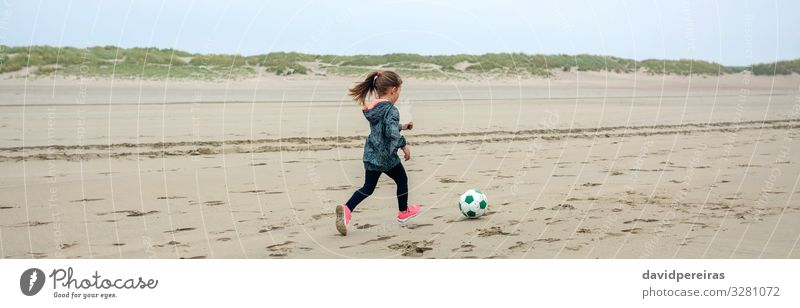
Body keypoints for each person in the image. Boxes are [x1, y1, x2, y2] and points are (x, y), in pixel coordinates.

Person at [335, 71, 421, 236]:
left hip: (371, 154)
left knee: (368, 188)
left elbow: (384, 126)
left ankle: (346, 209)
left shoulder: (374, 107)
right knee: (402, 180)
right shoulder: (391, 110)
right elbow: (390, 132)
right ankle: (403, 212)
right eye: (399, 92)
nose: (398, 96)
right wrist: (403, 145)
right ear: (393, 90)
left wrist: (402, 126)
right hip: (386, 156)